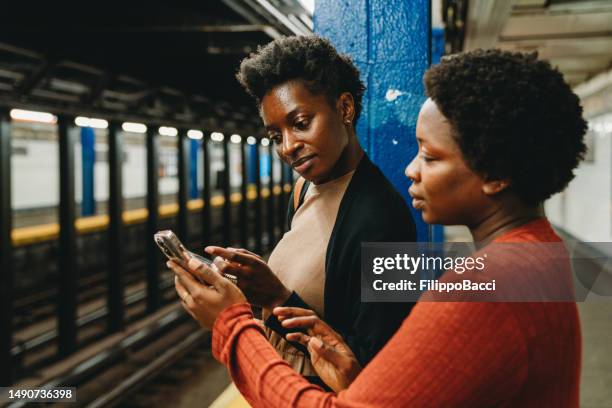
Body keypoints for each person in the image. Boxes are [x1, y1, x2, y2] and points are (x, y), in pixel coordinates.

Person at [169, 49, 586, 406]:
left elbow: (379, 351)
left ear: (495, 173)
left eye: (430, 156)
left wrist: (231, 323)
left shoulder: (482, 285)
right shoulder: (538, 254)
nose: (410, 170)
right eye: (275, 133)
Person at [198, 36, 417, 385]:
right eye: (275, 136)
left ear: (345, 109)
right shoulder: (303, 190)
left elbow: (379, 359)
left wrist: (276, 296)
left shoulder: (385, 218)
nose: (288, 147)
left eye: (300, 123)